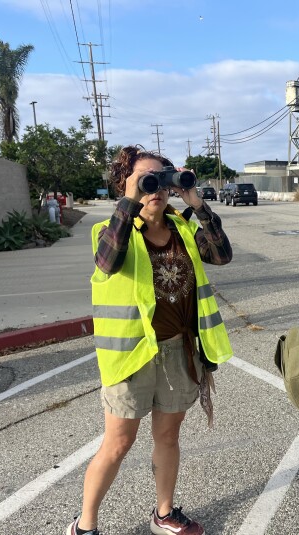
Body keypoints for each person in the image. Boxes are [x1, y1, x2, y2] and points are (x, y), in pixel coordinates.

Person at [67, 146, 234, 535]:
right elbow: (108, 261)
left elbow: (222, 255)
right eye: (145, 180)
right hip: (131, 354)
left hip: (178, 350)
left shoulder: (184, 228)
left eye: (161, 179)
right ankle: (85, 525)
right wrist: (131, 197)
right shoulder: (109, 231)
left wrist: (195, 201)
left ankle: (164, 514)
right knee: (118, 443)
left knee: (168, 435)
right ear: (125, 185)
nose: (154, 188)